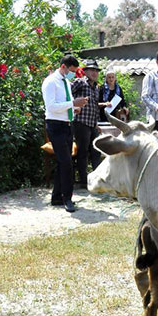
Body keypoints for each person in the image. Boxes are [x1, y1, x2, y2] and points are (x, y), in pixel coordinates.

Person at [41, 54, 88, 212]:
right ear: (63, 67)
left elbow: (65, 104)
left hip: (67, 124)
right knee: (67, 163)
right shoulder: (51, 82)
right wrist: (72, 103)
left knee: (63, 162)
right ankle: (67, 198)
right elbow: (51, 106)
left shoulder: (66, 82)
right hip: (55, 126)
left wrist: (75, 108)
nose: (73, 74)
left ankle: (57, 197)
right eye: (72, 71)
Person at [71, 59, 103, 188]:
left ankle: (97, 179)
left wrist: (96, 124)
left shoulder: (97, 87)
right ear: (85, 72)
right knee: (83, 152)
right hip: (80, 122)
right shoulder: (80, 82)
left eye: (96, 71)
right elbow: (66, 94)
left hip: (92, 124)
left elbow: (94, 106)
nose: (94, 73)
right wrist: (74, 105)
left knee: (96, 151)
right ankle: (84, 181)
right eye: (92, 70)